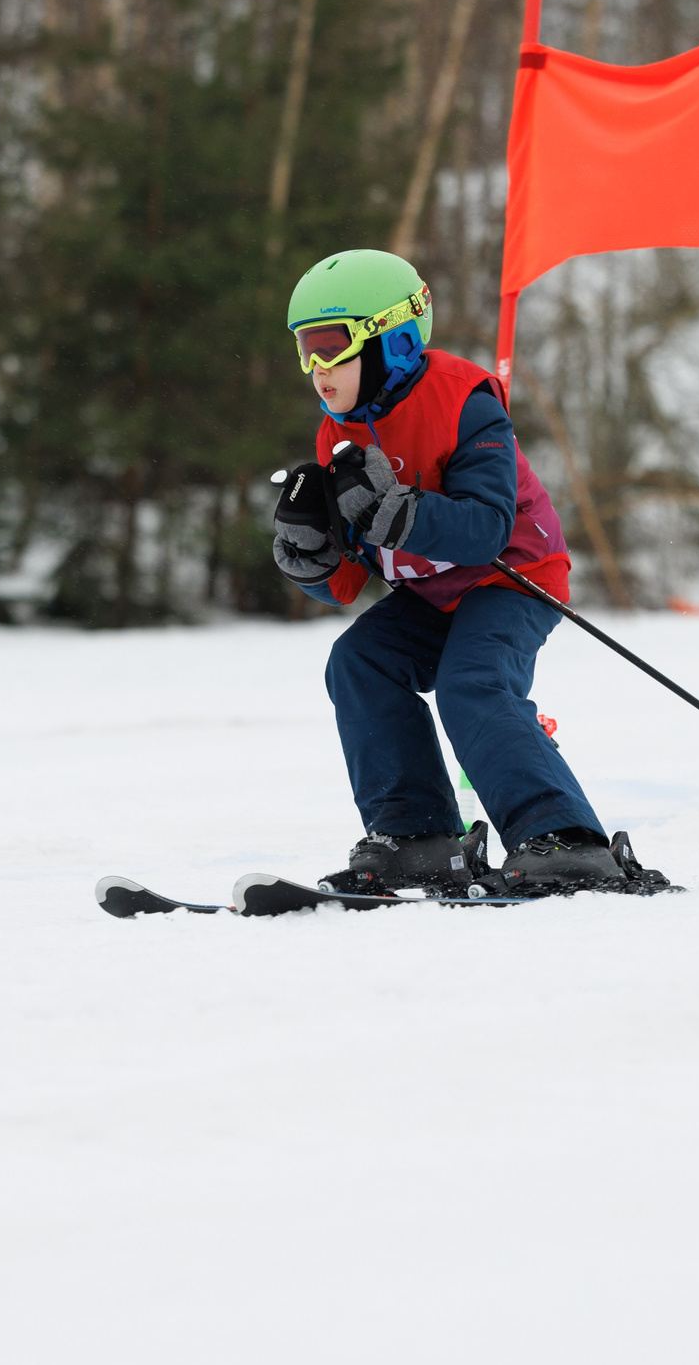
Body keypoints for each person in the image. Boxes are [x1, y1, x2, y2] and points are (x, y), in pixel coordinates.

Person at [269, 248, 636, 895]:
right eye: (305, 350)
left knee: (473, 684)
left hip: (511, 580)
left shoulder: (464, 400)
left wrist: (399, 511)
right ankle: (417, 836)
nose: (316, 369)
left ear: (395, 340)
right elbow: (349, 582)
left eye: (331, 346)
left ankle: (565, 837)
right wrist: (311, 556)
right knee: (359, 661)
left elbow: (485, 528)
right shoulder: (339, 435)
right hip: (431, 594)